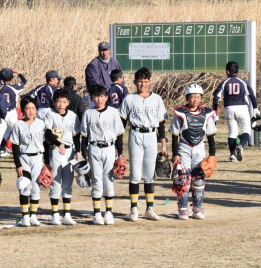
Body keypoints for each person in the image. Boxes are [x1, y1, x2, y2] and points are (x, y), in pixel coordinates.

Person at [119, 67, 167, 222]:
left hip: (152, 136)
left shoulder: (157, 99)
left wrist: (164, 144)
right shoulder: (129, 99)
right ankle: (134, 209)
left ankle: (149, 209)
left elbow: (161, 123)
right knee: (135, 174)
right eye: (140, 81)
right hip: (135, 134)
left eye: (146, 81)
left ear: (150, 82)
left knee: (149, 173)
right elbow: (122, 124)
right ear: (135, 82)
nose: (143, 84)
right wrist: (118, 148)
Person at [170, 84, 217, 220]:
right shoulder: (180, 112)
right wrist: (175, 153)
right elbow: (174, 134)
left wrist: (212, 155)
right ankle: (183, 208)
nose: (195, 100)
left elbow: (211, 135)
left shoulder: (207, 113)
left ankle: (197, 208)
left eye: (198, 97)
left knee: (198, 179)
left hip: (199, 148)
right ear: (187, 98)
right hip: (183, 147)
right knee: (183, 179)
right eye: (192, 97)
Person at [80, 85, 124, 225]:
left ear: (106, 97)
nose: (99, 99)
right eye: (96, 97)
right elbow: (84, 137)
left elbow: (119, 134)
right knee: (96, 180)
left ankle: (109, 212)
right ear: (91, 98)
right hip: (93, 148)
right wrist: (83, 156)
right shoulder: (88, 114)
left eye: (102, 96)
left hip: (110, 148)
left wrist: (121, 153)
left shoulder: (112, 112)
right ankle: (97, 213)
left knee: (108, 180)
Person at [44, 89, 81, 226]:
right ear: (54, 101)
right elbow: (47, 134)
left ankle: (66, 214)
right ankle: (55, 215)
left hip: (69, 151)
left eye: (64, 102)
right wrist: (58, 143)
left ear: (68, 103)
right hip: (55, 150)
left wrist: (79, 151)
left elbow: (76, 135)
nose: (61, 104)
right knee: (55, 182)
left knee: (67, 183)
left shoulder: (72, 115)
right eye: (58, 101)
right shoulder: (50, 115)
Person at [213, 61, 260, 162]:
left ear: (227, 72)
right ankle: (241, 146)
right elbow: (251, 96)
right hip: (242, 108)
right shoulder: (243, 82)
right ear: (238, 71)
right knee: (246, 131)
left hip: (229, 109)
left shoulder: (224, 83)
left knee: (232, 133)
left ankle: (232, 155)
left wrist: (214, 112)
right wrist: (255, 108)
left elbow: (216, 98)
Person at [10, 96, 46, 227]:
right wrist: (18, 165)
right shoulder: (18, 125)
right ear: (22, 110)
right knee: (24, 186)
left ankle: (33, 216)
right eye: (27, 108)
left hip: (37, 158)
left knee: (36, 188)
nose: (30, 111)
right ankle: (25, 216)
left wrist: (46, 163)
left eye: (33, 108)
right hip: (24, 157)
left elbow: (46, 143)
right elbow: (15, 146)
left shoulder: (41, 124)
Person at [85, 41, 123, 108]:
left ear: (110, 50)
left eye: (106, 50)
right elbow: (94, 83)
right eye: (102, 50)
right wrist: (104, 95)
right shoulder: (93, 64)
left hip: (113, 97)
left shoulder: (115, 63)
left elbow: (121, 80)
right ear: (99, 51)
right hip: (98, 98)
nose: (104, 53)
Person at [0, 68, 28, 152]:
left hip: (1, 112)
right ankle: (23, 148)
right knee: (17, 130)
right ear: (12, 78)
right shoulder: (14, 88)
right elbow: (24, 81)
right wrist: (18, 72)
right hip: (11, 113)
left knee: (5, 131)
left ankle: (2, 148)